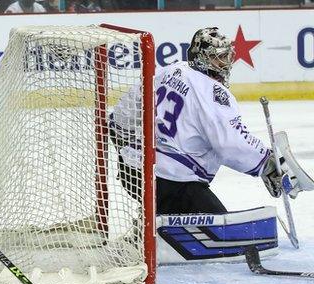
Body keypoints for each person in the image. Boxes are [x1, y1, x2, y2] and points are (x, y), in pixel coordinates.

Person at [110, 27, 293, 215]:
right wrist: (266, 162)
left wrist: (126, 142)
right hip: (171, 181)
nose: (225, 63)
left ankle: (150, 218)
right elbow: (230, 143)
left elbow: (129, 104)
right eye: (217, 57)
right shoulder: (214, 92)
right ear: (201, 57)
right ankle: (155, 223)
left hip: (132, 172)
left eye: (226, 57)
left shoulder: (171, 69)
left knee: (172, 201)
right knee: (219, 230)